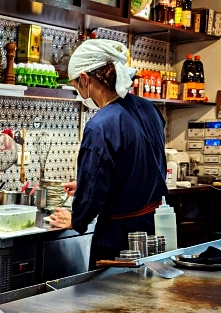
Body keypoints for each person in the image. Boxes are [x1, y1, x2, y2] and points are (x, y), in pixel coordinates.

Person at [50, 39, 168, 268]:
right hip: (154, 229)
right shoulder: (148, 108)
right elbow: (138, 165)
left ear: (85, 78)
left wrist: (76, 219)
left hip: (119, 239)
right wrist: (85, 182)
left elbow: (93, 192)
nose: (80, 94)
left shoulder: (100, 124)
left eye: (76, 86)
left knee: (108, 302)